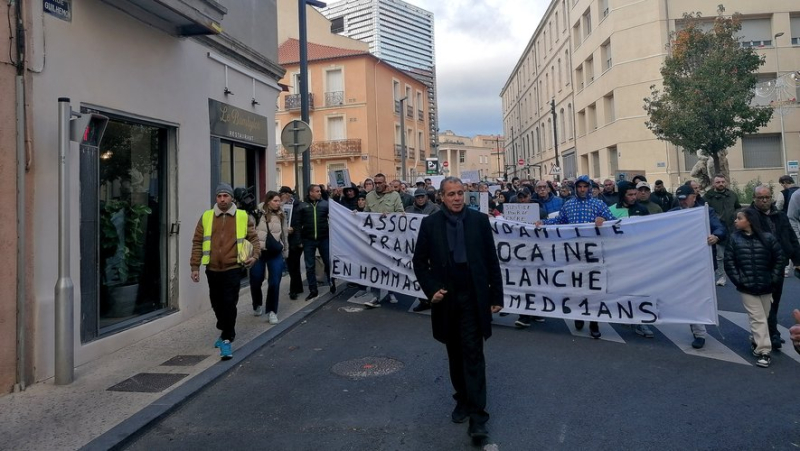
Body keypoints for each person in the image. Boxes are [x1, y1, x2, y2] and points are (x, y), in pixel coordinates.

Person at [412, 177, 504, 444]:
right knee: (454, 353)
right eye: (451, 194)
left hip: (474, 297)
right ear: (441, 197)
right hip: (447, 298)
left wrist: (496, 295)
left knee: (473, 355)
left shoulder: (479, 221)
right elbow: (419, 262)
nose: (456, 198)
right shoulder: (430, 224)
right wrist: (432, 289)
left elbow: (491, 260)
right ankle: (462, 398)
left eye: (460, 193)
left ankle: (478, 417)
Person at [538, 175, 616, 338]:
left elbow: (614, 222)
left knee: (593, 289)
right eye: (579, 187)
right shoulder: (569, 205)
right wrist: (543, 223)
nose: (582, 189)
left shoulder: (598, 204)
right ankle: (578, 314)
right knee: (576, 287)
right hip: (573, 253)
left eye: (584, 186)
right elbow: (559, 221)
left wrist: (604, 220)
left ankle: (594, 322)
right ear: (576, 188)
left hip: (593, 254)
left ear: (589, 187)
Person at [190, 183, 260, 360]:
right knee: (216, 303)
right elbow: (197, 242)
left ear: (232, 198)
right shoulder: (206, 217)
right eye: (219, 196)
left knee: (229, 302)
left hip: (233, 268)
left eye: (225, 196)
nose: (222, 199)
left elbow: (254, 239)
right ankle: (225, 327)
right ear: (216, 198)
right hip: (211, 268)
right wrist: (194, 267)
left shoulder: (242, 216)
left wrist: (255, 255)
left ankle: (227, 339)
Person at [724, 208, 783, 368]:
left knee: (763, 316)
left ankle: (756, 342)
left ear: (749, 220)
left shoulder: (768, 238)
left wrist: (773, 278)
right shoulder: (734, 239)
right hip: (747, 287)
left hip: (766, 285)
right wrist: (739, 281)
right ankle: (764, 351)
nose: (735, 221)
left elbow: (779, 259)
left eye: (739, 218)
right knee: (758, 318)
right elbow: (729, 262)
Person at [669, 184, 726, 349]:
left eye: (685, 199)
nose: (682, 202)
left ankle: (700, 330)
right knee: (689, 298)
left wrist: (716, 236)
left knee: (700, 297)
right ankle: (698, 332)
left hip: (702, 263)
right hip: (682, 264)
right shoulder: (672, 214)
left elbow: (720, 228)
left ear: (694, 197)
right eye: (679, 200)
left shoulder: (706, 212)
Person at [749, 185, 800, 349]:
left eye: (767, 197)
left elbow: (790, 238)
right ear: (754, 199)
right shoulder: (749, 216)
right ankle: (769, 335)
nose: (764, 201)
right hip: (760, 266)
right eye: (760, 198)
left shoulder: (780, 216)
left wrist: (797, 259)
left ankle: (772, 332)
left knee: (774, 301)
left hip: (779, 265)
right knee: (762, 304)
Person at [363, 173, 405, 308]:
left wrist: (390, 216)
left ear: (385, 182)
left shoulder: (394, 195)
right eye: (376, 183)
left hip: (389, 238)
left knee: (389, 266)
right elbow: (365, 214)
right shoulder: (369, 196)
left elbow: (400, 212)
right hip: (374, 238)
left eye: (380, 182)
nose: (378, 185)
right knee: (375, 266)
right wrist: (355, 215)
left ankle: (391, 292)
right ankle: (375, 296)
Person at [254, 191, 289, 324]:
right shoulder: (257, 213)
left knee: (274, 282)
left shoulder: (281, 215)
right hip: (259, 253)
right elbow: (249, 231)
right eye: (275, 200)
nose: (278, 203)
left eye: (279, 200)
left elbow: (284, 234)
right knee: (256, 280)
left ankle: (272, 311)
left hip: (275, 253)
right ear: (268, 201)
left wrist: (285, 250)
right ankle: (257, 303)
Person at [295, 184, 334, 301]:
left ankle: (332, 283)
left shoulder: (325, 205)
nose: (320, 193)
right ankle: (313, 290)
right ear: (310, 193)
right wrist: (299, 240)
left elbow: (335, 218)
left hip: (324, 239)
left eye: (320, 191)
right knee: (310, 266)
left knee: (328, 262)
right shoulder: (302, 206)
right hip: (308, 240)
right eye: (317, 191)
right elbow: (297, 224)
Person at [703, 175, 741, 286]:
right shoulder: (708, 197)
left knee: (736, 253)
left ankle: (737, 275)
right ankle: (721, 276)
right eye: (718, 182)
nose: (721, 184)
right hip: (717, 230)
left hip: (732, 228)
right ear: (713, 184)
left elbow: (738, 208)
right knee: (720, 255)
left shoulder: (732, 195)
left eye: (723, 182)